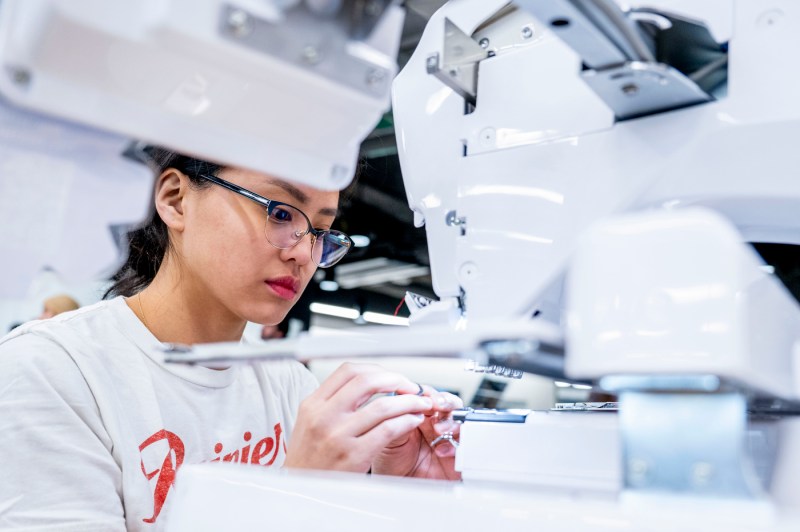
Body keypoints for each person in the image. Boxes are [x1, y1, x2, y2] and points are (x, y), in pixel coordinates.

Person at [0, 148, 462, 531]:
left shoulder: (290, 386)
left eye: (320, 232)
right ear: (177, 199)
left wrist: (399, 497)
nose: (303, 251)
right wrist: (298, 499)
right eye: (280, 212)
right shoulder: (51, 374)